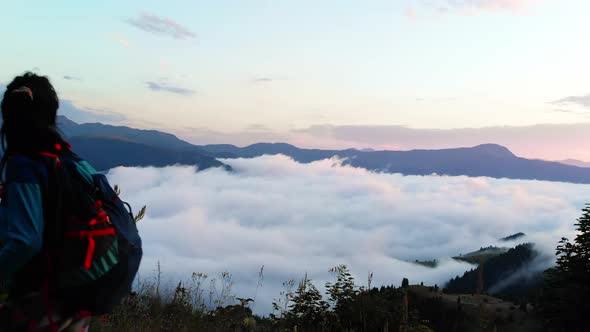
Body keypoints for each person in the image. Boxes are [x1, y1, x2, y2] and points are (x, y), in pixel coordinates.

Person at [0, 72, 95, 331]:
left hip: (37, 303)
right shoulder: (73, 161)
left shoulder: (24, 165)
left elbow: (25, 241)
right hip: (74, 305)